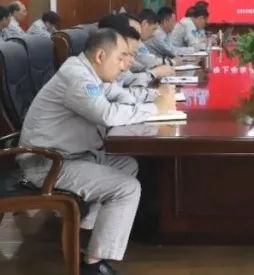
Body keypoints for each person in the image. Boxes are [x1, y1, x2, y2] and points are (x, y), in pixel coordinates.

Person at [19, 28, 177, 274]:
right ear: (101, 56)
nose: (125, 65)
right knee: (126, 188)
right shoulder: (77, 78)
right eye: (121, 57)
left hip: (70, 156)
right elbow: (106, 114)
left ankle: (85, 233)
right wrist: (157, 109)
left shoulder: (89, 72)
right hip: (49, 164)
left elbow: (119, 95)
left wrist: (155, 97)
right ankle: (92, 264)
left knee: (127, 165)